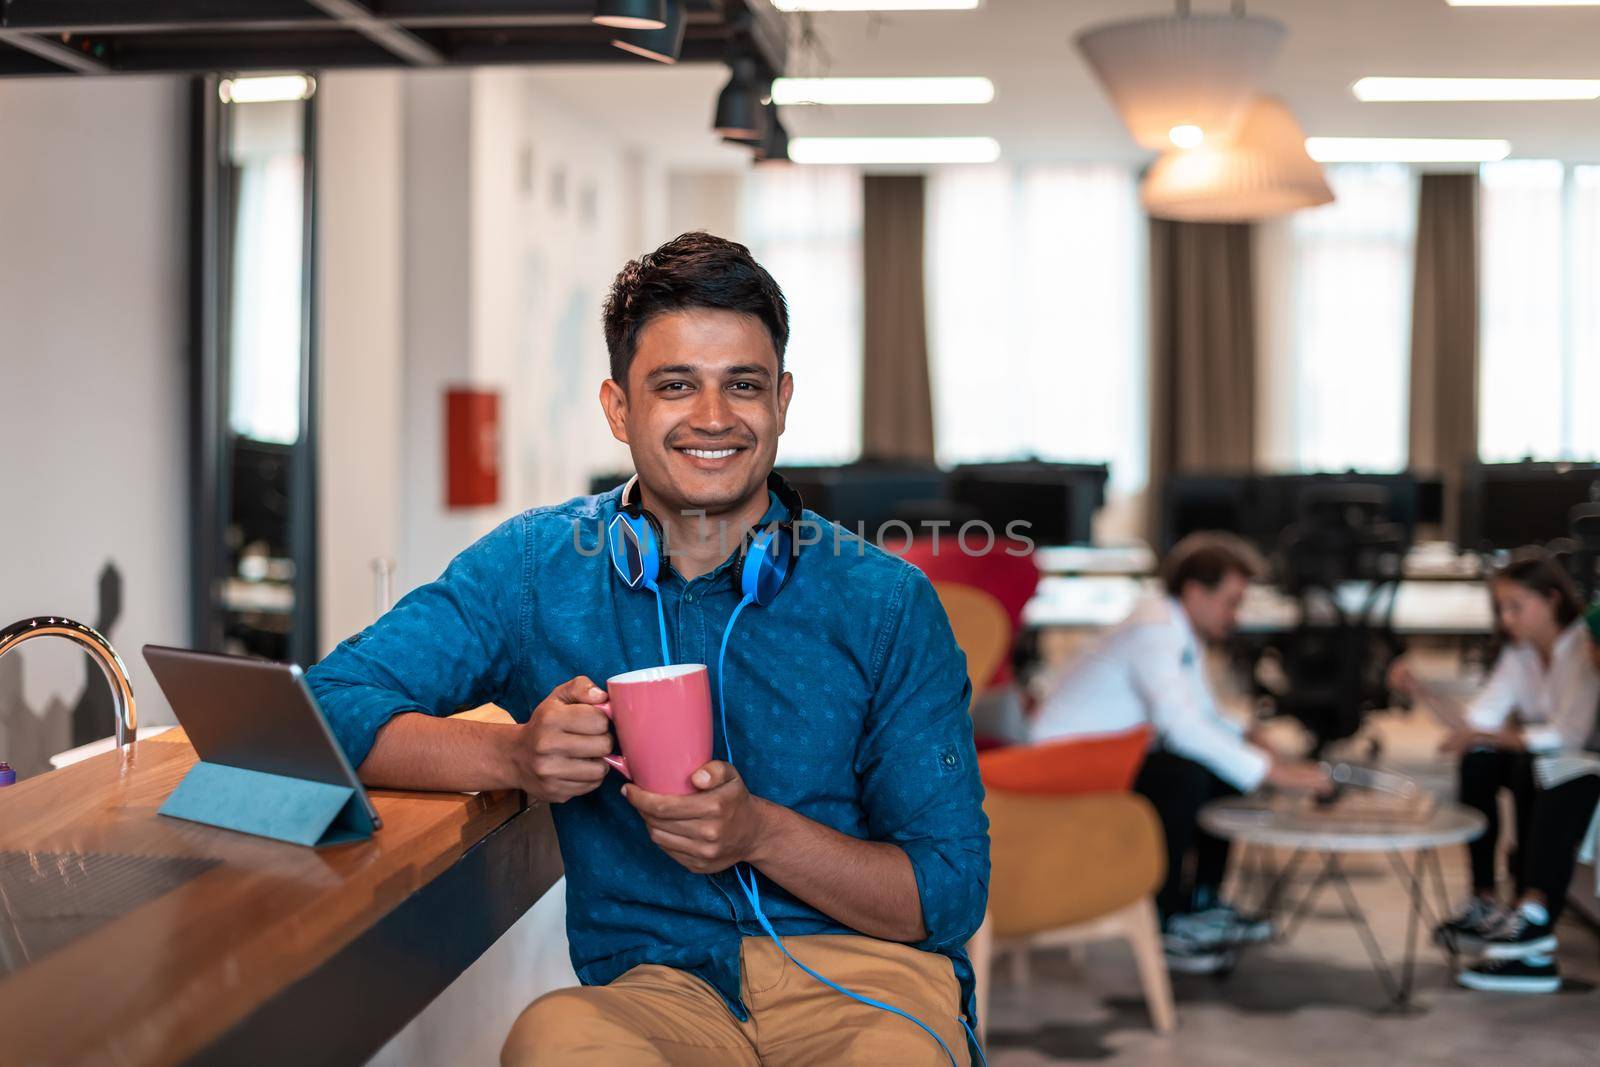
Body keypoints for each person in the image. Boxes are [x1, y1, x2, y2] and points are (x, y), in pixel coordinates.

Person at [305, 233, 989, 1064]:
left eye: (744, 384)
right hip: (662, 990)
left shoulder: (886, 600)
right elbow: (328, 707)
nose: (713, 417)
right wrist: (515, 754)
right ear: (618, 407)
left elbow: (948, 893)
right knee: (549, 1039)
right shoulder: (533, 567)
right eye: (675, 386)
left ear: (782, 399)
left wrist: (761, 832)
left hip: (868, 986)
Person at [1029, 532, 1331, 974]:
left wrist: (1250, 736)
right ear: (1194, 592)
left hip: (1110, 750)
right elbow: (1181, 726)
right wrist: (1274, 772)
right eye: (1230, 602)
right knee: (1182, 776)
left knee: (1209, 767)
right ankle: (1166, 919)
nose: (1235, 615)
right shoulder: (1154, 630)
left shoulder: (1175, 627)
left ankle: (1202, 902)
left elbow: (1201, 712)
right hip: (1065, 758)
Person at [1389, 551, 1600, 994]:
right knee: (1481, 759)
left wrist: (1493, 736)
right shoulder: (1520, 654)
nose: (1506, 620)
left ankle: (1533, 918)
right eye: (1501, 608)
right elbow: (1479, 723)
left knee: (1535, 764)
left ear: (1551, 599)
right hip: (1550, 761)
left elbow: (1567, 735)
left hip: (1575, 763)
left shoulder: (1584, 644)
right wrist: (1422, 691)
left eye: (1515, 607)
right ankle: (1485, 900)